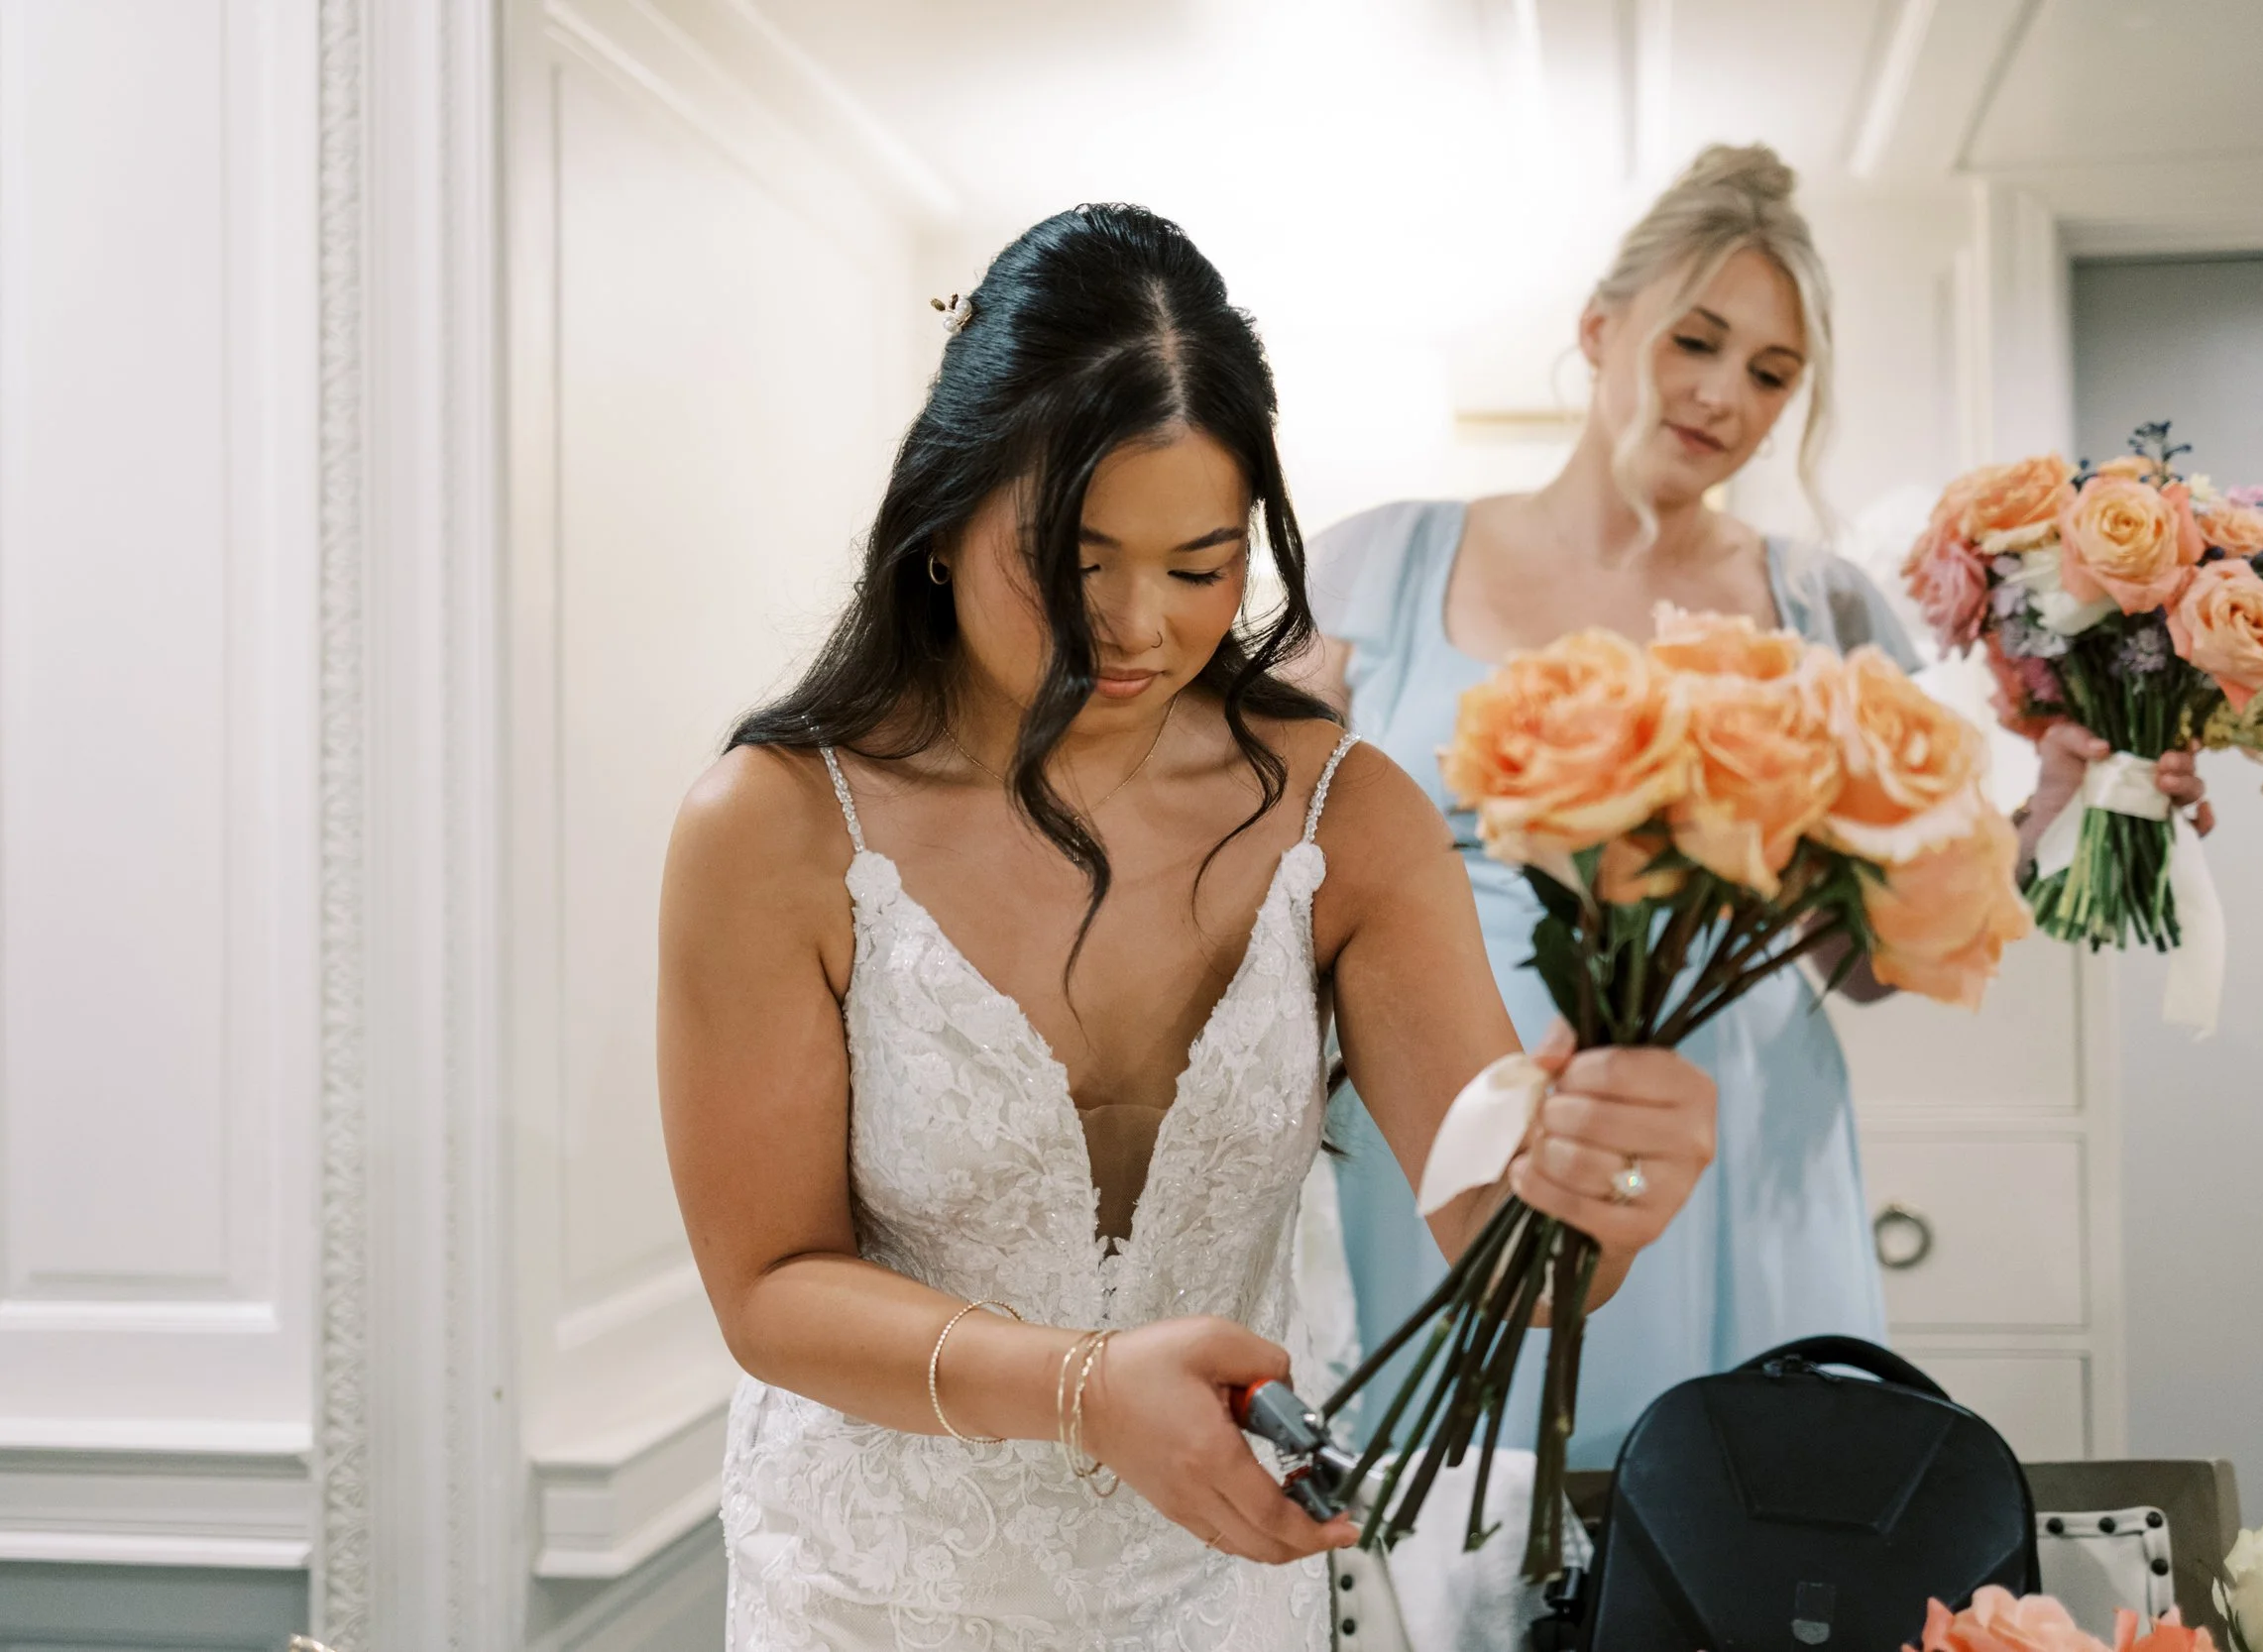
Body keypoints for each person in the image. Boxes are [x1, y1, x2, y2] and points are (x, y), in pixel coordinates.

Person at [657, 203, 1719, 1652]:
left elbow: (1512, 1248)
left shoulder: (1349, 819)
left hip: (1215, 1589)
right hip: (871, 1593)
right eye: (1071, 559)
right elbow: (770, 1286)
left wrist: (1608, 1182)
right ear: (941, 513)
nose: (1136, 628)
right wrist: (1087, 1388)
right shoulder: (773, 826)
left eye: (1201, 565)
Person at [1294, 144, 2209, 1474]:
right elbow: (1249, 869)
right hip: (1435, 1126)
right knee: (1433, 1543)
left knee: (1722, 1537)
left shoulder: (1829, 609)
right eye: (1696, 341)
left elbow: (1874, 950)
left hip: (1736, 1144)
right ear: (1601, 331)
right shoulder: (1372, 564)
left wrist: (2059, 802)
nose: (1724, 394)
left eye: (1772, 373)